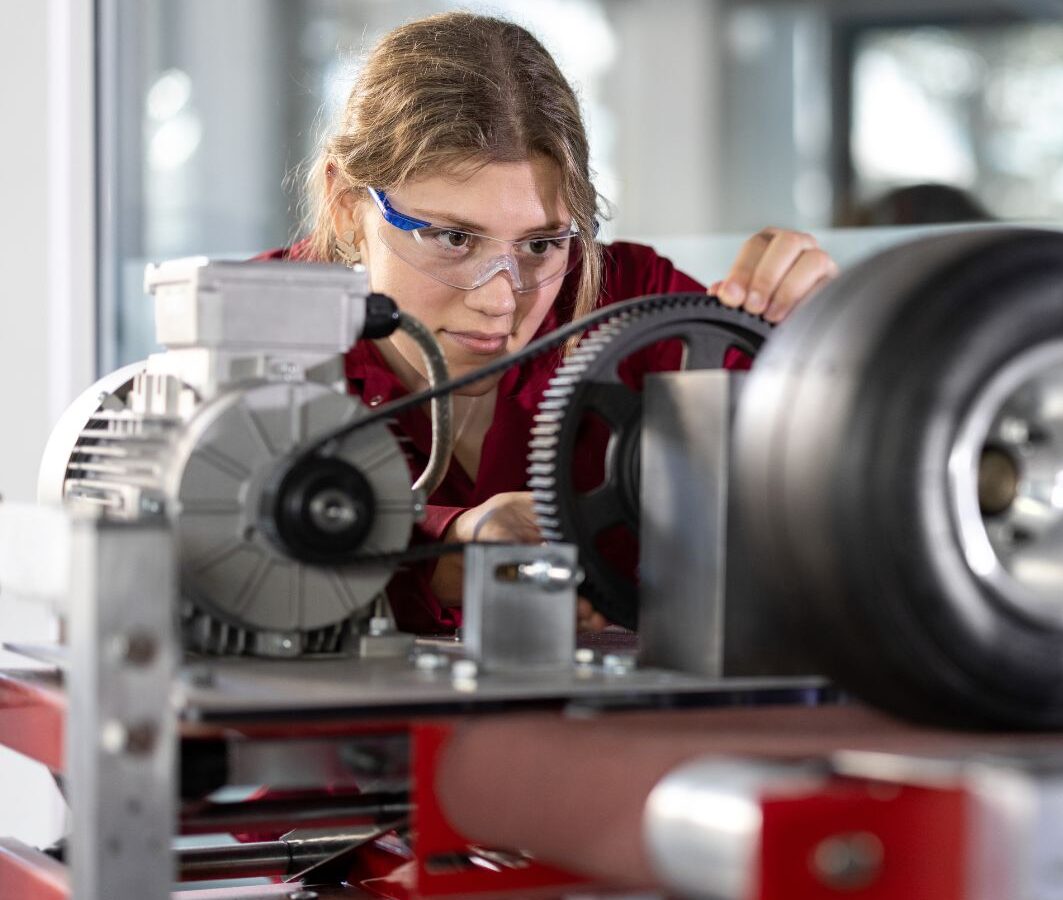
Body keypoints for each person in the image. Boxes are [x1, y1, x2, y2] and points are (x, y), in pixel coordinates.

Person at [259, 12, 837, 634]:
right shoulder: (251, 325)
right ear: (348, 208)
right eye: (453, 238)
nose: (500, 300)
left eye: (540, 245)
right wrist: (439, 549)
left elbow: (826, 471)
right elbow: (224, 546)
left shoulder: (635, 305)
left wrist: (832, 338)